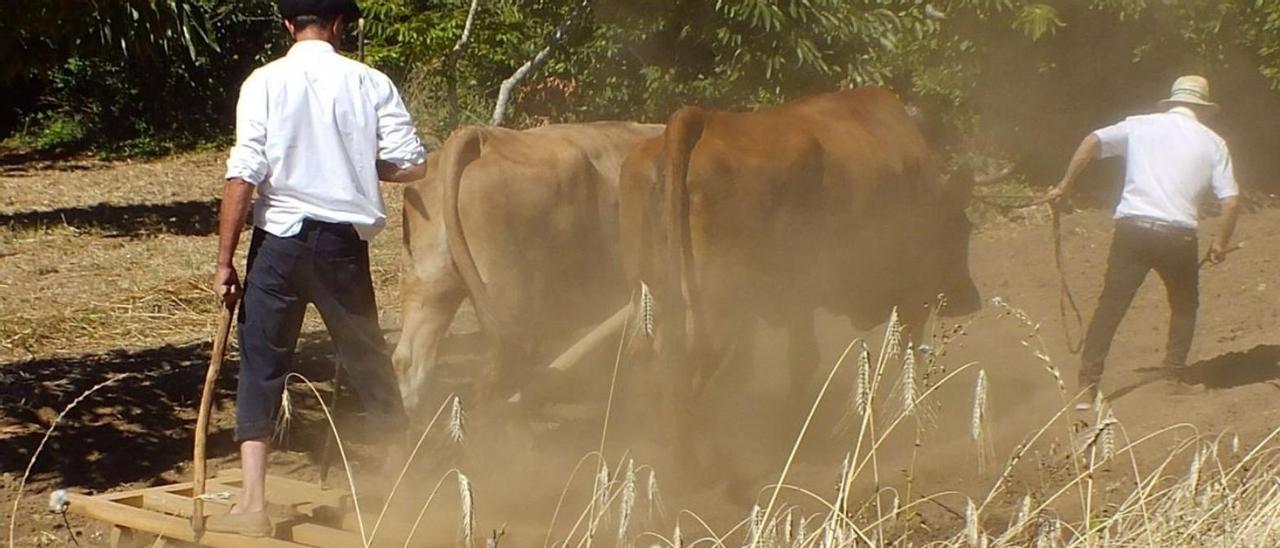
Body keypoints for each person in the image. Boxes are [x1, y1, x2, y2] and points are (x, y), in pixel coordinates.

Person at [210, 0, 427, 535]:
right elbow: (413, 163)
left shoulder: (263, 82)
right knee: (369, 364)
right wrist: (355, 163)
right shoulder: (370, 82)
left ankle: (253, 504)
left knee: (261, 364)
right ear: (338, 25)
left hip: (277, 247)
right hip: (341, 250)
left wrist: (224, 261)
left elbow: (244, 175)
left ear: (289, 24)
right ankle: (402, 494)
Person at [1046, 75, 1241, 411]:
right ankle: (1172, 377)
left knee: (1111, 306)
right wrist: (1220, 243)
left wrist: (1065, 185)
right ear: (1203, 110)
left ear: (1171, 102)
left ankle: (1086, 388)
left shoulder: (1140, 126)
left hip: (1132, 229)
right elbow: (1232, 201)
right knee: (1184, 305)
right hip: (1178, 235)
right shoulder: (1213, 142)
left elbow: (1092, 141)